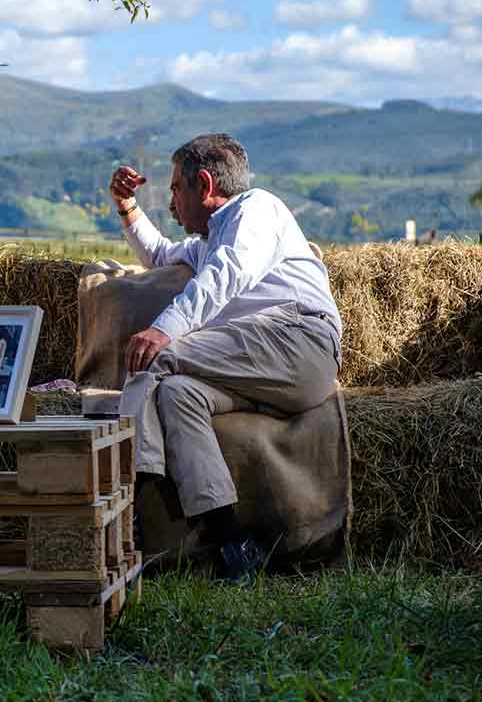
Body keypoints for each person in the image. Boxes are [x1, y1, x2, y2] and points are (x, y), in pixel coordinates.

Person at [107, 133, 342, 581]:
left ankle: (130, 507)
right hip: (260, 366)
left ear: (204, 183)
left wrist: (163, 330)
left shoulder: (256, 209)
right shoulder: (207, 241)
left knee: (152, 359)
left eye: (176, 189)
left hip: (299, 340)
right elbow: (160, 255)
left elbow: (228, 272)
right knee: (178, 395)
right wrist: (126, 205)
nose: (172, 204)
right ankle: (232, 545)